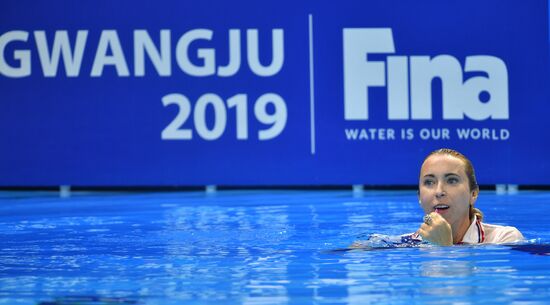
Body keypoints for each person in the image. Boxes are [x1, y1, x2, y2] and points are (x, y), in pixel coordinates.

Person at [414, 148, 524, 245]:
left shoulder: (504, 239)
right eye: (429, 182)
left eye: (452, 180)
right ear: (419, 196)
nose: (439, 191)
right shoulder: (407, 244)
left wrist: (444, 248)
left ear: (473, 194)